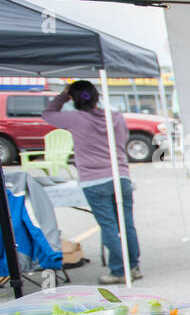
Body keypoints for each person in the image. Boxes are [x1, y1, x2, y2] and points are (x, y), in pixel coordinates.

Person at [42, 81, 142, 284]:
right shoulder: (114, 117)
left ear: (74, 100)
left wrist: (63, 95)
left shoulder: (76, 119)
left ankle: (119, 270)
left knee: (109, 226)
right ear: (97, 97)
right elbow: (123, 140)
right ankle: (133, 266)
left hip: (94, 180)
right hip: (120, 175)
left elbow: (48, 114)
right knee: (127, 225)